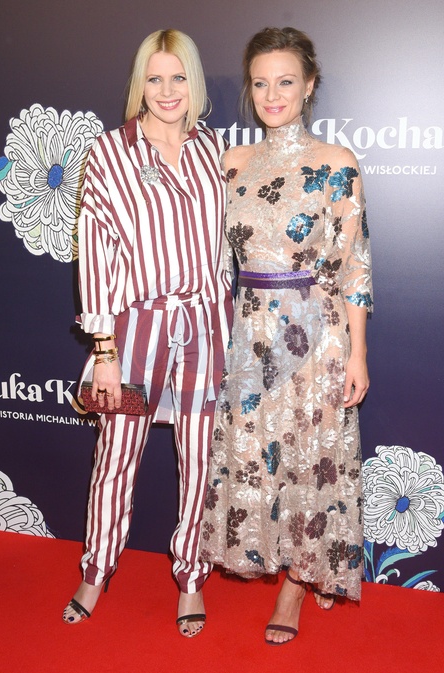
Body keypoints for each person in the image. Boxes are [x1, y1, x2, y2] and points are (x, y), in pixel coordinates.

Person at [200, 26, 372, 645]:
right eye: (261, 83)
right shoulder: (232, 163)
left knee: (308, 459)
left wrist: (357, 353)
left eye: (286, 82)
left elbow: (354, 266)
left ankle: (297, 583)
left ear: (309, 85)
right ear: (250, 90)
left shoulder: (336, 163)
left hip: (315, 335)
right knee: (256, 457)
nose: (272, 95)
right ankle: (291, 560)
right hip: (249, 333)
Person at [63, 29, 232, 638]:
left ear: (194, 83)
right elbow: (96, 255)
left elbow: (223, 246)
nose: (166, 90)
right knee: (116, 454)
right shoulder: (110, 153)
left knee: (202, 458)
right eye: (155, 78)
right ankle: (96, 569)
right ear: (140, 84)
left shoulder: (213, 149)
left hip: (205, 327)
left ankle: (191, 576)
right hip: (134, 331)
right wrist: (103, 349)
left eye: (178, 77)